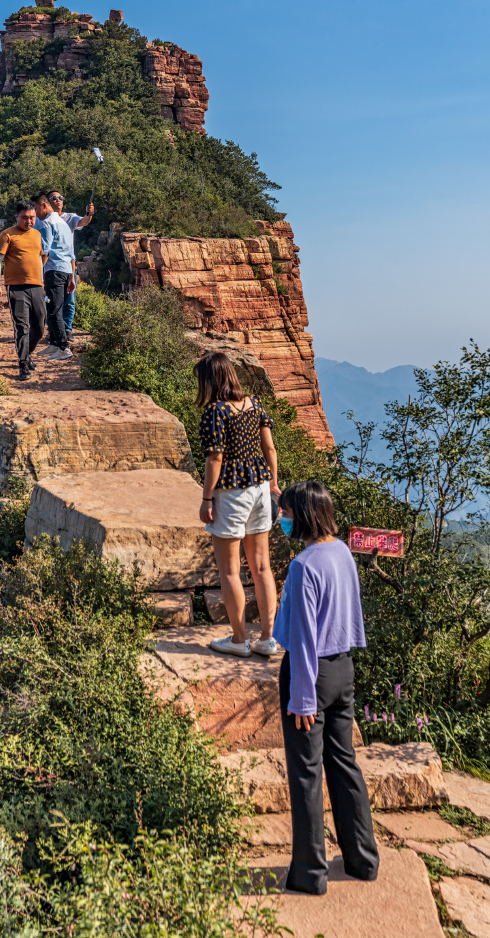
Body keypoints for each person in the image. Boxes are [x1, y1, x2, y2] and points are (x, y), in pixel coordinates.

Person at [273, 480, 379, 895]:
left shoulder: (303, 566)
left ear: (301, 515)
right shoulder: (342, 552)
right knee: (345, 763)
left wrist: (301, 697)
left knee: (307, 774)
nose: (283, 519)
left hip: (311, 677)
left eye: (286, 513)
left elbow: (301, 640)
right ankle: (362, 860)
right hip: (343, 670)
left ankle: (310, 874)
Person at [195, 350, 280, 658]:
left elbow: (215, 458)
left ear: (209, 380)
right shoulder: (255, 404)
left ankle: (239, 639)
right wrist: (273, 482)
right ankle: (267, 639)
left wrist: (207, 498)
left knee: (231, 570)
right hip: (259, 486)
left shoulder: (216, 411)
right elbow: (269, 447)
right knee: (261, 567)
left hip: (231, 491)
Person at [0, 201, 46, 381]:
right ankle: (23, 364)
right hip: (16, 287)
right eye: (25, 218)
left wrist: (41, 278)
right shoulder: (7, 235)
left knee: (39, 327)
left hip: (37, 286)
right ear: (17, 217)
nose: (29, 221)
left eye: (32, 218)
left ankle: (27, 354)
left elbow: (40, 256)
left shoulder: (37, 234)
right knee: (22, 327)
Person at [31, 190, 76, 361]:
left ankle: (63, 348)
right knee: (53, 307)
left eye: (35, 209)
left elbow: (45, 251)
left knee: (54, 309)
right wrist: (72, 277)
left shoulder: (47, 224)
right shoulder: (63, 224)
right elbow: (72, 253)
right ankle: (54, 344)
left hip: (54, 271)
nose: (35, 214)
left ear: (43, 205)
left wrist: (36, 273)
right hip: (65, 271)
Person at [47, 190, 94, 339]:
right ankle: (53, 331)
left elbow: (83, 222)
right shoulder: (45, 220)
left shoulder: (70, 217)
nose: (58, 200)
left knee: (70, 301)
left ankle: (67, 330)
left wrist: (89, 214)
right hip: (51, 265)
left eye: (60, 197)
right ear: (47, 202)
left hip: (69, 265)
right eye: (54, 198)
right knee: (53, 301)